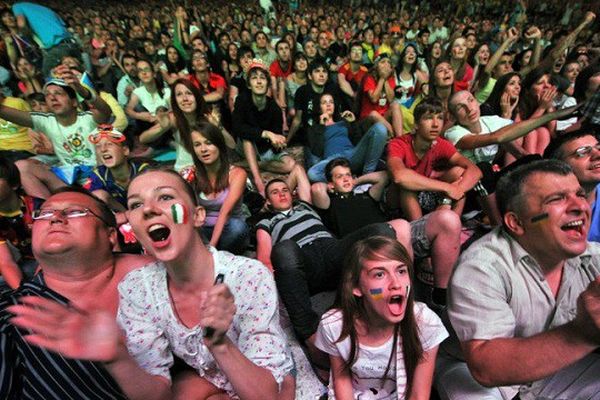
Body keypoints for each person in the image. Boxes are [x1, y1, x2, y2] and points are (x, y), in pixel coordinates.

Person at [121, 169, 295, 399]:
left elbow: (268, 396)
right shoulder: (136, 289)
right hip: (211, 383)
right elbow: (156, 391)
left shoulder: (248, 275)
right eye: (135, 204)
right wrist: (116, 359)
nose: (148, 209)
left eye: (165, 197)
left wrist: (219, 343)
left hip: (268, 382)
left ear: (198, 216)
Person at [437, 159, 600, 400]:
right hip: (475, 374)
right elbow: (486, 366)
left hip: (553, 372)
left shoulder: (592, 257)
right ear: (516, 222)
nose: (580, 206)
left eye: (579, 194)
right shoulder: (482, 267)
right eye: (556, 199)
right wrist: (582, 333)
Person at [2, 187, 158, 399]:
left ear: (110, 235)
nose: (55, 218)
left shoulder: (160, 275)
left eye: (75, 212)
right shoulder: (13, 314)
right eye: (45, 213)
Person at [256, 178, 403, 377]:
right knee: (283, 250)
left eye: (285, 189)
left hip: (332, 250)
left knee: (382, 231)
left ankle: (387, 306)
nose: (282, 193)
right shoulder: (266, 222)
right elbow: (265, 259)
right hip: (304, 261)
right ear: (267, 202)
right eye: (274, 192)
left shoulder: (305, 207)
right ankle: (310, 337)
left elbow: (300, 173)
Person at [315, 236, 448, 399]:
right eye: (379, 274)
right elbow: (341, 378)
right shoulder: (334, 325)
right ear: (356, 287)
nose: (396, 284)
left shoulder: (425, 323)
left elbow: (419, 395)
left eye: (401, 271)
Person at [0, 65, 111, 199]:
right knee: (22, 166)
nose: (52, 98)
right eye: (48, 95)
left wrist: (84, 91)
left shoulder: (88, 119)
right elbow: (5, 112)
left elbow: (106, 111)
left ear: (74, 101)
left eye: (58, 93)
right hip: (68, 183)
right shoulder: (46, 121)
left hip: (100, 178)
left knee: (101, 196)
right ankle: (48, 209)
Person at [387, 97, 482, 221]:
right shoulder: (398, 144)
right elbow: (399, 177)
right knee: (408, 186)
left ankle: (453, 224)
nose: (436, 124)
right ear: (416, 124)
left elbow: (475, 171)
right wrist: (447, 188)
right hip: (396, 202)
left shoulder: (441, 144)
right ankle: (418, 230)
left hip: (425, 195)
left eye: (440, 118)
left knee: (459, 172)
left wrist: (455, 191)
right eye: (429, 118)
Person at [232, 59, 310, 199]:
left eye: (262, 78)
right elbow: (238, 128)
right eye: (254, 78)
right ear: (249, 85)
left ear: (268, 84)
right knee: (247, 138)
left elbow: (278, 135)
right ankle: (257, 179)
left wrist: (277, 142)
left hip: (265, 149)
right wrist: (266, 134)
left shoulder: (274, 107)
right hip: (247, 145)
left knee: (290, 165)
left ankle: (255, 165)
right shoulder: (242, 100)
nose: (259, 81)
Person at [186, 121, 249, 254]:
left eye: (208, 143)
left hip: (228, 230)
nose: (203, 149)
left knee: (237, 228)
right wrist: (184, 182)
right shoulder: (192, 174)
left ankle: (220, 257)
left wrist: (211, 249)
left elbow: (224, 214)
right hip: (202, 230)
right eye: (197, 145)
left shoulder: (237, 173)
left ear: (219, 145)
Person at [306, 93, 387, 182]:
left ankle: (366, 176)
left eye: (331, 102)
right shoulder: (314, 128)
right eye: (324, 102)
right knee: (312, 173)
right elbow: (317, 151)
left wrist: (353, 123)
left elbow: (358, 142)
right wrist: (321, 126)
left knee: (380, 128)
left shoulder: (343, 122)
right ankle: (345, 181)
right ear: (319, 108)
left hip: (351, 155)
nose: (328, 104)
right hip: (332, 160)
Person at [544, 129, 600, 243]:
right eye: (583, 152)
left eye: (599, 148)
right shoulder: (543, 211)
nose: (598, 155)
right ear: (558, 166)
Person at [84, 125, 149, 212]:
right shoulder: (97, 176)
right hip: (120, 219)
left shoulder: (145, 171)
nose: (103, 149)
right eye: (98, 146)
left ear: (125, 150)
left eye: (109, 144)